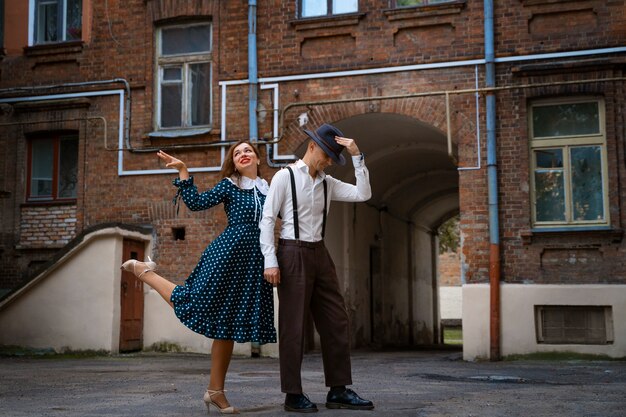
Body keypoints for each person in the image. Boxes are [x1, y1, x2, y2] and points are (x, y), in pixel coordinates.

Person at [121, 141, 276, 415]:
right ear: (233, 161)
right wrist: (183, 170)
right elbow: (196, 203)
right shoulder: (230, 185)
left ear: (258, 158)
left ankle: (215, 392)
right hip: (227, 255)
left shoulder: (269, 188)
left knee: (225, 327)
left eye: (247, 150)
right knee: (193, 300)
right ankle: (144, 273)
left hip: (254, 263)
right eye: (237, 152)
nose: (242, 154)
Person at [260, 123, 374, 413]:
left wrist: (357, 155)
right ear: (312, 147)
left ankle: (338, 390)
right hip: (292, 252)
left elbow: (363, 194)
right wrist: (270, 260)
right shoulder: (284, 177)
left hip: (320, 253)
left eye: (333, 158)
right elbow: (268, 218)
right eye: (326, 155)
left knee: (337, 320)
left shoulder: (328, 183)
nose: (328, 162)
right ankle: (292, 394)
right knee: (294, 325)